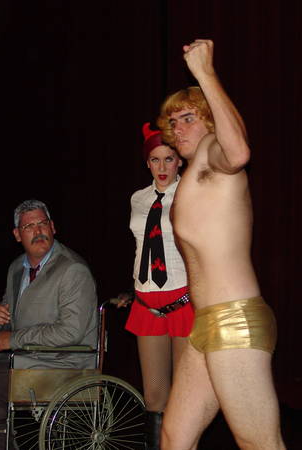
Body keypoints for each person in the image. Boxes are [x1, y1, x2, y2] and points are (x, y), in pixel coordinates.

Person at [156, 40, 285, 450]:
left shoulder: (214, 151)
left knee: (259, 444)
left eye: (188, 118)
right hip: (205, 325)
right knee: (174, 439)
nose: (178, 129)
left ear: (211, 121)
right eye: (173, 122)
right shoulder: (195, 173)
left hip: (234, 319)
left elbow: (239, 151)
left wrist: (205, 74)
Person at [0, 199, 98, 450]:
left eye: (42, 223)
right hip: (27, 362)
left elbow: (71, 332)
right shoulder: (17, 268)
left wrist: (14, 339)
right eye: (29, 226)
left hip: (63, 366)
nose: (38, 230)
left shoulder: (72, 270)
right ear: (17, 235)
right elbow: (6, 318)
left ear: (53, 227)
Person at [118, 123, 194, 449]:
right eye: (155, 160)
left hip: (183, 301)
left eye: (169, 159)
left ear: (180, 161)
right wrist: (133, 286)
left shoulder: (191, 193)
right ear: (147, 163)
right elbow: (142, 246)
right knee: (154, 397)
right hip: (146, 303)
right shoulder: (138, 198)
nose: (162, 167)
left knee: (185, 397)